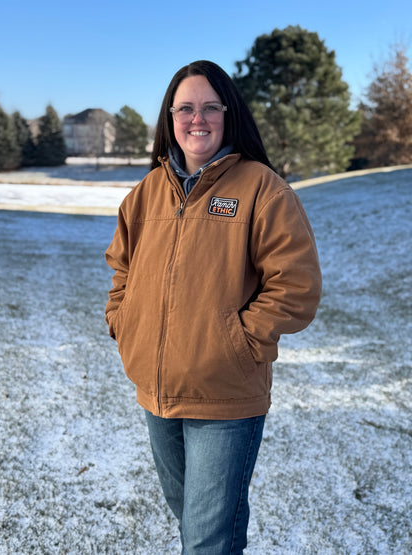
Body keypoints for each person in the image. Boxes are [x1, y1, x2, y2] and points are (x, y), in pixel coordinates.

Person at [105, 60, 322, 554]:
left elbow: (296, 284)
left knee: (205, 539)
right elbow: (122, 270)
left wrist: (238, 343)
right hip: (156, 392)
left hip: (225, 395)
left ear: (228, 114)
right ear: (169, 118)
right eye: (185, 108)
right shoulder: (146, 194)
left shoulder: (260, 188)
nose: (196, 118)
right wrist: (123, 321)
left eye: (209, 107)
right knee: (199, 525)